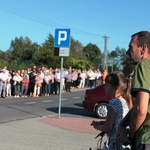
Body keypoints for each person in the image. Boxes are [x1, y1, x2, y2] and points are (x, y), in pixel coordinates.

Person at [117, 31, 150, 149]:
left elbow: (141, 109)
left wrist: (130, 136)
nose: (127, 52)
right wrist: (122, 124)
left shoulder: (144, 64)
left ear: (143, 49)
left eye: (130, 47)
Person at [91, 71, 133, 149]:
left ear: (115, 88)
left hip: (115, 143)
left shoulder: (113, 103)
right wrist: (103, 122)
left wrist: (97, 125)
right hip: (124, 142)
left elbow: (107, 128)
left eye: (107, 85)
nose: (104, 87)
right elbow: (117, 121)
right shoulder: (125, 101)